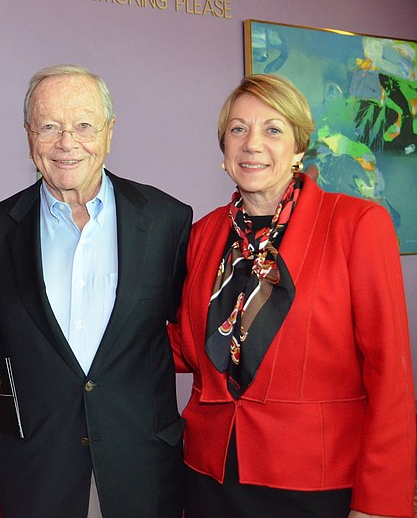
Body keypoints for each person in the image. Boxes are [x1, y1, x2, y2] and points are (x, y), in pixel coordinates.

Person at [171, 74, 416, 518]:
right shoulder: (201, 235)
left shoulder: (357, 224)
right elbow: (186, 347)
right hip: (209, 477)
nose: (252, 144)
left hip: (313, 481)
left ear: (299, 149)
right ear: (223, 150)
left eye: (273, 129)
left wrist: (380, 502)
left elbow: (389, 373)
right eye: (238, 129)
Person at [0, 64, 193, 517]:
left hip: (141, 462)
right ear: (29, 134)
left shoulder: (167, 220)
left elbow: (187, 328)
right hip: (37, 466)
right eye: (49, 126)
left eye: (83, 125)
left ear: (109, 131)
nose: (67, 143)